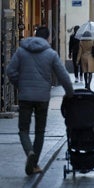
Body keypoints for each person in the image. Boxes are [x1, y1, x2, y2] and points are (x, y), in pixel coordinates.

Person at [6, 26, 73, 175]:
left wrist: (20, 85)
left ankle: (29, 152)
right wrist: (70, 93)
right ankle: (34, 162)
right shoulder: (51, 54)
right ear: (48, 38)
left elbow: (10, 71)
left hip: (25, 97)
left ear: (34, 35)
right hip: (42, 98)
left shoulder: (21, 51)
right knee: (40, 131)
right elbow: (63, 76)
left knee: (23, 130)